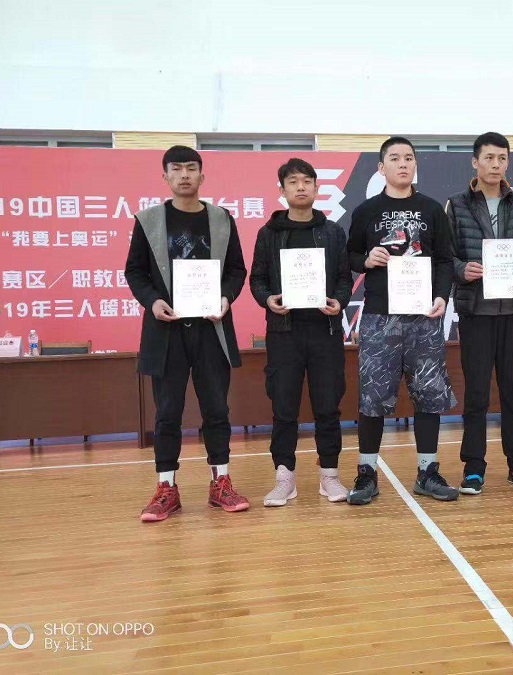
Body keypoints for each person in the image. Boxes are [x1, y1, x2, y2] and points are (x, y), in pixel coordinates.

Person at [125, 145, 250, 521]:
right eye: (176, 169)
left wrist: (226, 297)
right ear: (165, 176)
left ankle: (220, 483)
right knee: (167, 412)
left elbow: (236, 269)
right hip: (166, 331)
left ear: (202, 175)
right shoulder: (148, 220)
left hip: (212, 328)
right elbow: (135, 271)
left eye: (191, 168)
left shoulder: (221, 219)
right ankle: (167, 488)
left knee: (217, 409)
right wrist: (152, 302)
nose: (184, 175)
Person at [345, 136, 459, 505]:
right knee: (373, 396)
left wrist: (441, 295)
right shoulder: (366, 211)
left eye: (408, 157)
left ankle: (428, 471)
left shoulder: (431, 209)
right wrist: (366, 260)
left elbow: (445, 259)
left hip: (423, 316)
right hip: (380, 316)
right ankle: (367, 473)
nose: (403, 163)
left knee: (428, 394)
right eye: (394, 158)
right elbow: (349, 255)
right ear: (382, 168)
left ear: (415, 165)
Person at [445, 132, 513, 496]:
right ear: (475, 162)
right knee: (476, 394)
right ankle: (474, 467)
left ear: (507, 163)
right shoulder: (457, 205)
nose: (495, 164)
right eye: (488, 158)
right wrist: (462, 270)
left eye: (502, 158)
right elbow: (447, 256)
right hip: (476, 311)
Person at [249, 158, 353, 506]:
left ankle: (330, 477)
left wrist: (339, 301)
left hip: (325, 330)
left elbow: (344, 277)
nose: (300, 187)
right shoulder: (269, 233)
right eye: (293, 182)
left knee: (328, 405)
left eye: (307, 181)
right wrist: (268, 299)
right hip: (284, 332)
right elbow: (257, 279)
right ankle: (284, 479)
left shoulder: (332, 232)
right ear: (282, 190)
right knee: (284, 407)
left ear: (316, 188)